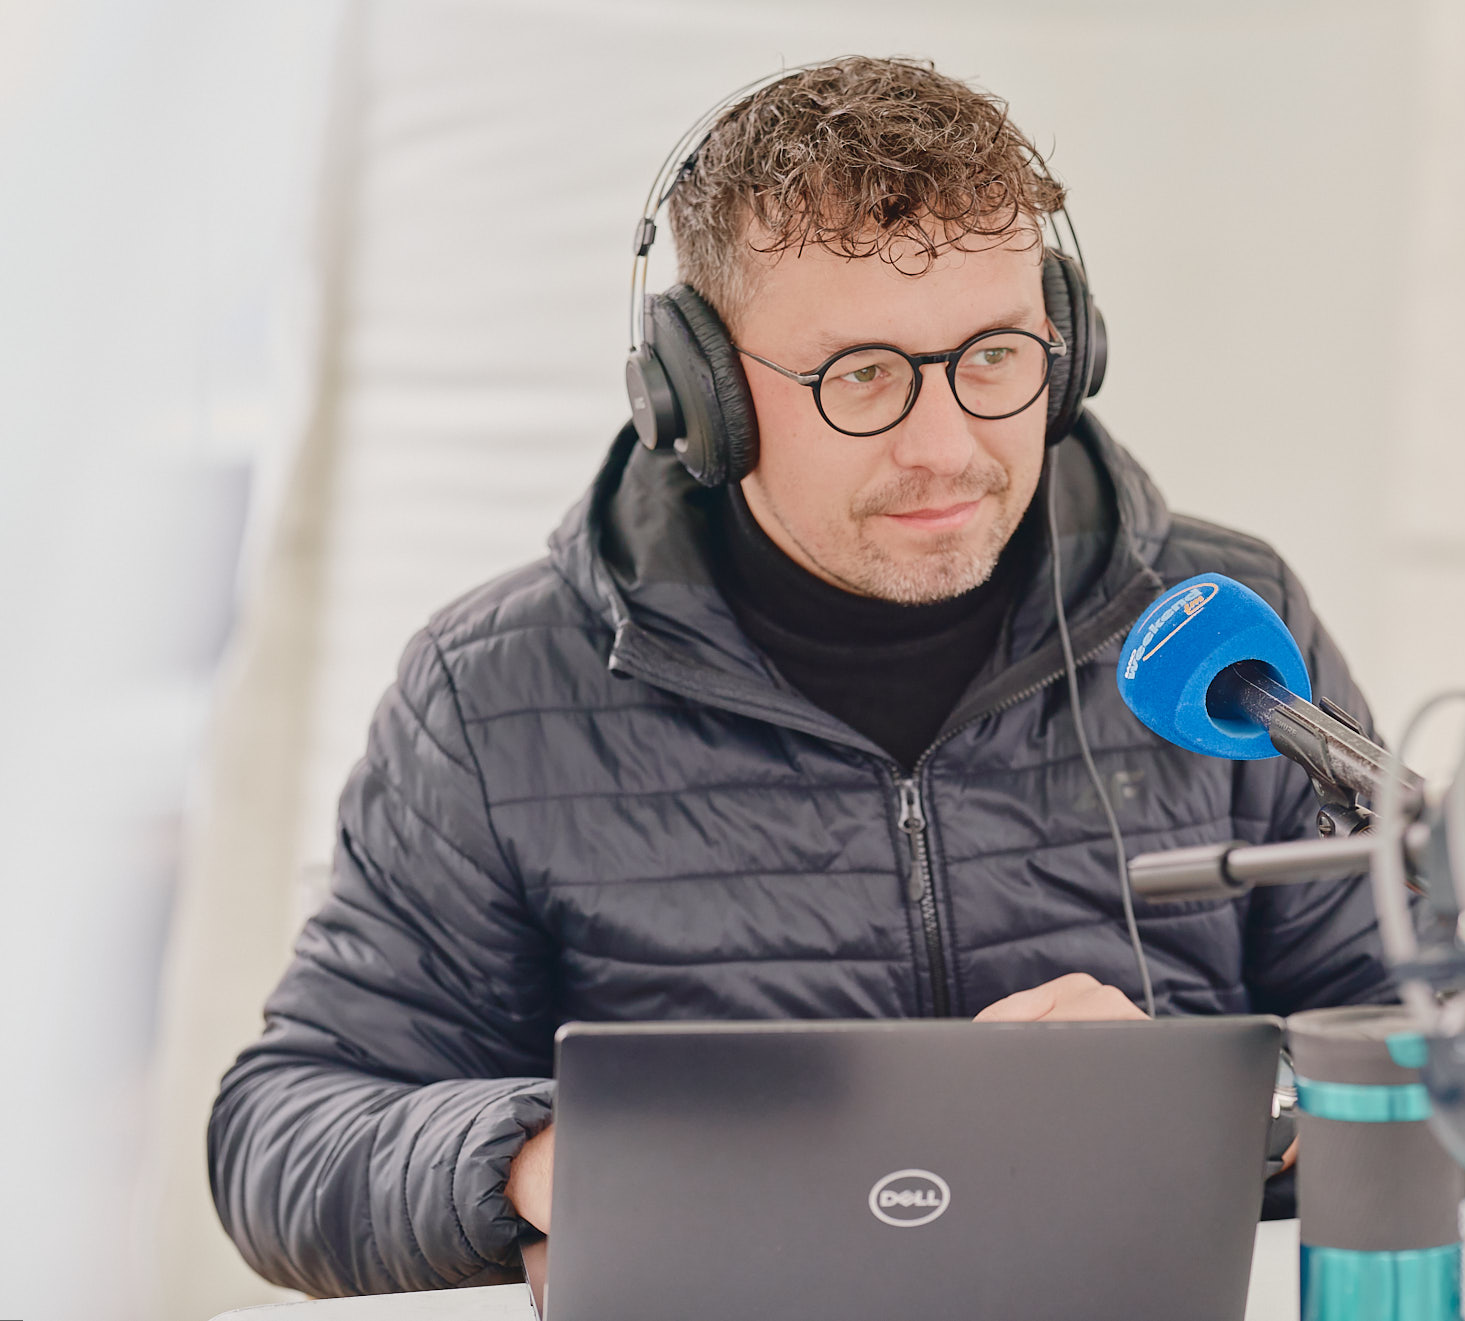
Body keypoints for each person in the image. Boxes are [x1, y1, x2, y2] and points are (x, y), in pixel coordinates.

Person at [207, 56, 1389, 1299]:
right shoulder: (493, 694)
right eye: (862, 374)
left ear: (1069, 341)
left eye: (994, 355)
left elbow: (1451, 1046)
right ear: (701, 396)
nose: (947, 446)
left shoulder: (1222, 631)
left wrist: (1234, 1109)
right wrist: (556, 1156)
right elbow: (284, 1134)